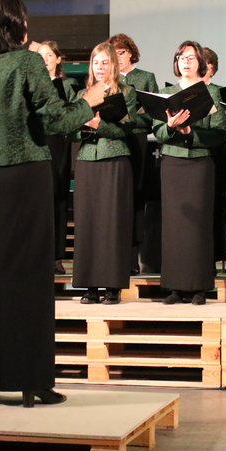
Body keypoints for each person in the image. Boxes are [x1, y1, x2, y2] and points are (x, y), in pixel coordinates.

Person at [0, 0, 104, 407]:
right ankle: (31, 380)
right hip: (25, 172)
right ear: (14, 24)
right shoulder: (25, 62)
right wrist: (88, 102)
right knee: (30, 276)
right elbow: (55, 119)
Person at [154, 41, 226, 305]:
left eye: (190, 57)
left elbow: (220, 131)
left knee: (198, 225)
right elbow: (158, 131)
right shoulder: (165, 93)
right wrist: (172, 127)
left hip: (200, 164)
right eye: (180, 57)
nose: (185, 61)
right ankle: (175, 287)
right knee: (174, 226)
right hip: (173, 164)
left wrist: (191, 133)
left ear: (200, 62)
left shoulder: (213, 93)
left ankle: (199, 287)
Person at [71, 42, 138, 305]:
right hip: (87, 161)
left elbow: (126, 130)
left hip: (115, 160)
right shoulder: (82, 94)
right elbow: (72, 130)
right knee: (87, 224)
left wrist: (99, 126)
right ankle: (89, 285)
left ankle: (112, 285)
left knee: (113, 224)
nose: (100, 67)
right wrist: (83, 127)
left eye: (104, 62)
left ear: (113, 65)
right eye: (95, 62)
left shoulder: (126, 93)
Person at [107, 33, 157, 275]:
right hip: (113, 138)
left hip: (137, 139)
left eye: (122, 52)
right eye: (114, 53)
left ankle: (134, 256)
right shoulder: (108, 78)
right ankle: (114, 254)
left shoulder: (145, 78)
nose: (118, 56)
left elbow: (154, 112)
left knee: (136, 195)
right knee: (115, 196)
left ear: (131, 53)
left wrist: (130, 115)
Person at [36, 40, 80, 275]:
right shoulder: (30, 85)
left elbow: (73, 113)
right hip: (35, 144)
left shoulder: (67, 85)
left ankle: (56, 256)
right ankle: (37, 254)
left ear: (58, 59)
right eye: (40, 55)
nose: (44, 59)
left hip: (58, 144)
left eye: (49, 55)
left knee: (58, 198)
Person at [202, 47, 226, 266]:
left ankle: (213, 255)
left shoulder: (219, 92)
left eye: (207, 63)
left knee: (215, 204)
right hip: (193, 153)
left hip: (215, 153)